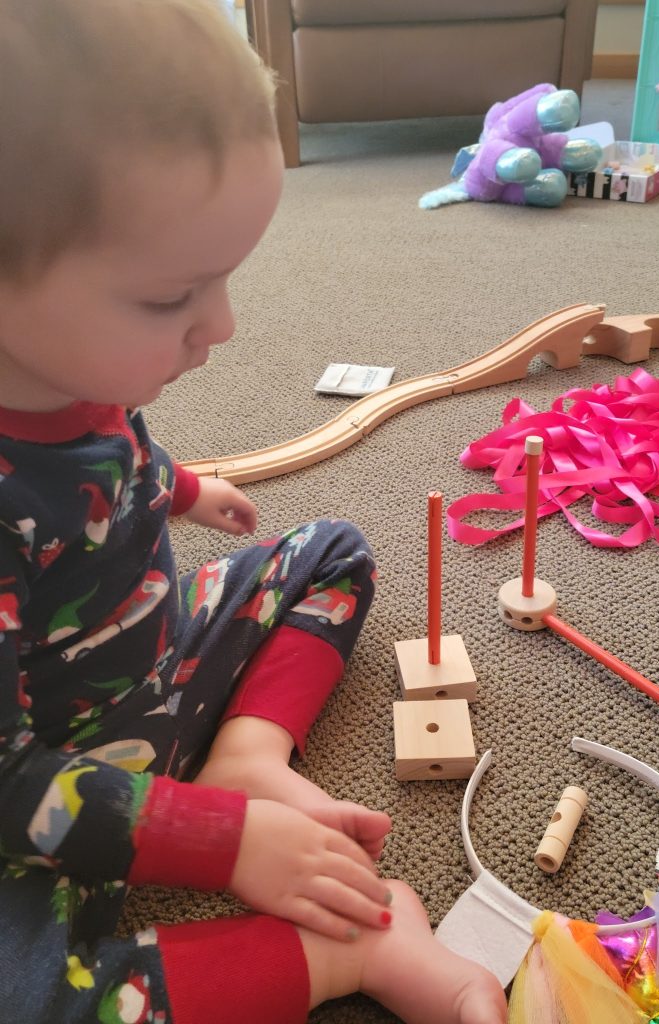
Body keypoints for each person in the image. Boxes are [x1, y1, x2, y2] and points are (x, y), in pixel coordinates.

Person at [0, 2, 507, 1022]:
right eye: (168, 299)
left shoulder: (69, 363)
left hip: (159, 661)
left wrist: (185, 489)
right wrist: (220, 841)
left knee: (332, 551)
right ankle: (338, 958)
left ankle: (248, 753)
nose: (221, 327)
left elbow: (113, 452)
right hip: (42, 779)